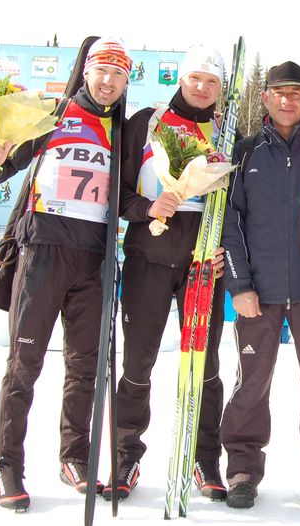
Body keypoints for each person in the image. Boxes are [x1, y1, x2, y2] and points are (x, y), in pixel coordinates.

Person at [0, 37, 130, 511]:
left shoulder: (123, 132)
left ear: (127, 81)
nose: (108, 82)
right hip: (43, 252)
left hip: (94, 260)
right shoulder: (52, 114)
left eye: (118, 74)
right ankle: (7, 464)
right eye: (101, 70)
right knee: (24, 366)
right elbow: (3, 169)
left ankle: (74, 457)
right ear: (86, 72)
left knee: (84, 367)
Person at [108, 45, 228, 501]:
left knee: (206, 366)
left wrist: (224, 253)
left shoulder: (225, 131)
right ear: (181, 78)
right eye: (195, 78)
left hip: (203, 268)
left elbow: (236, 208)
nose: (201, 88)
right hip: (148, 262)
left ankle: (204, 459)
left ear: (220, 89)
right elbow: (115, 194)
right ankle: (125, 457)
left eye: (211, 82)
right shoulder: (147, 122)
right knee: (138, 363)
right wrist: (145, 208)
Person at [219, 61, 300, 513]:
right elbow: (230, 222)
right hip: (258, 293)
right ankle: (243, 468)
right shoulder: (245, 152)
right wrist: (239, 284)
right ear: (264, 97)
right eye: (278, 92)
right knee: (251, 383)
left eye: (296, 92)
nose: (287, 100)